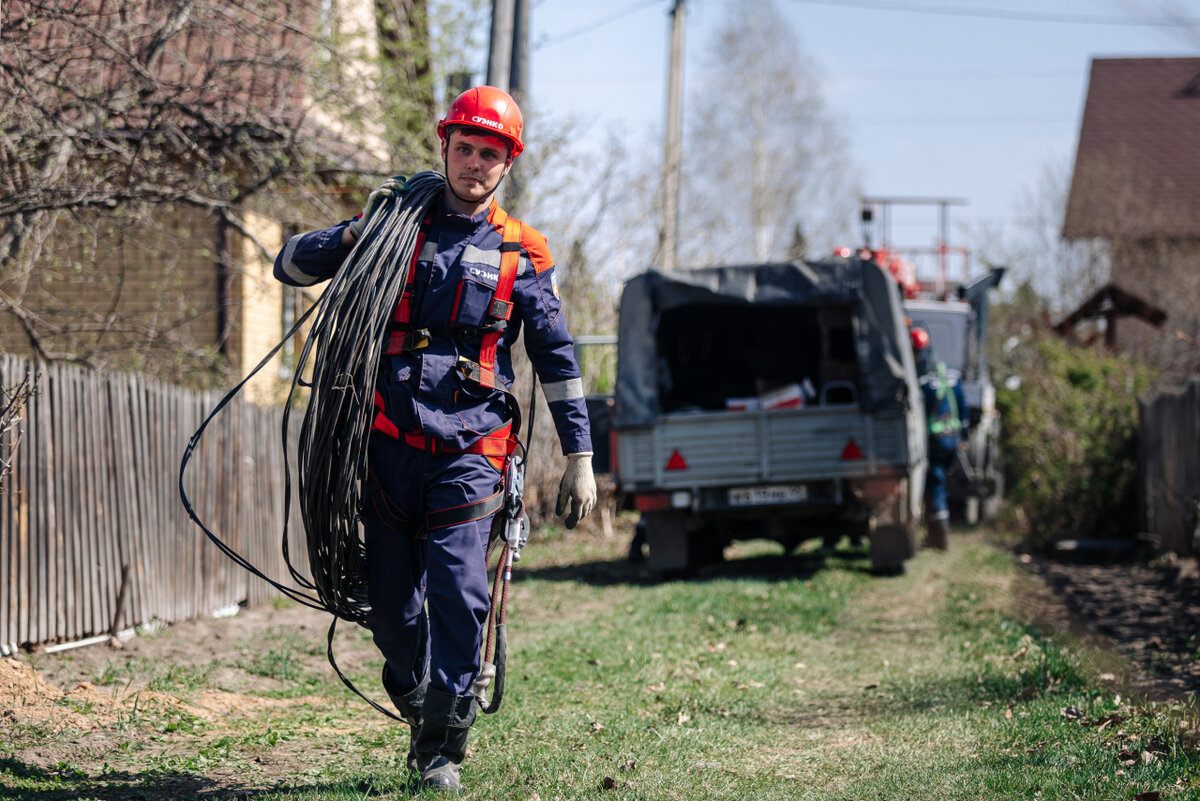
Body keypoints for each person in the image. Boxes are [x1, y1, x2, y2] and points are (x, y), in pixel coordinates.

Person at [273, 86, 597, 792]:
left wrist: (581, 456)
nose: (476, 163)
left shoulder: (523, 252)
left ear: (507, 164)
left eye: (491, 153)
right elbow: (289, 265)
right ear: (444, 146)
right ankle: (422, 704)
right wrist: (353, 236)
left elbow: (557, 359)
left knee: (459, 591)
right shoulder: (393, 225)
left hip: (471, 451)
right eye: (466, 148)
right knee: (392, 610)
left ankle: (442, 744)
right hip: (387, 444)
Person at [911, 326, 967, 550]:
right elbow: (962, 407)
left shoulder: (922, 383)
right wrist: (962, 435)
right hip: (953, 439)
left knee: (934, 485)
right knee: (940, 484)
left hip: (934, 441)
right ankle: (934, 534)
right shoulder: (951, 375)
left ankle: (940, 536)